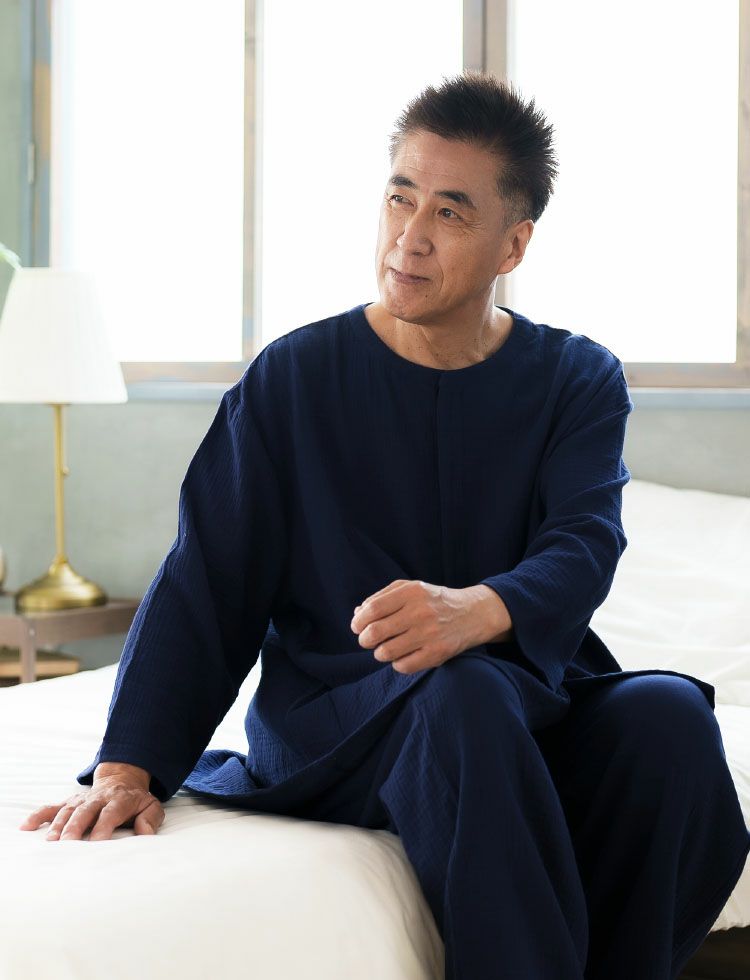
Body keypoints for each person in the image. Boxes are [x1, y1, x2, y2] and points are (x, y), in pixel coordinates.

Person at [20, 71, 750, 979]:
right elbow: (207, 582)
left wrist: (480, 610)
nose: (410, 236)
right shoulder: (293, 378)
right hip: (339, 725)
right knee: (464, 694)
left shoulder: (578, 378)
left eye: (450, 212)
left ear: (514, 243)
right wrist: (129, 766)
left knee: (669, 717)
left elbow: (586, 540)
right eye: (400, 198)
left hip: (522, 705)